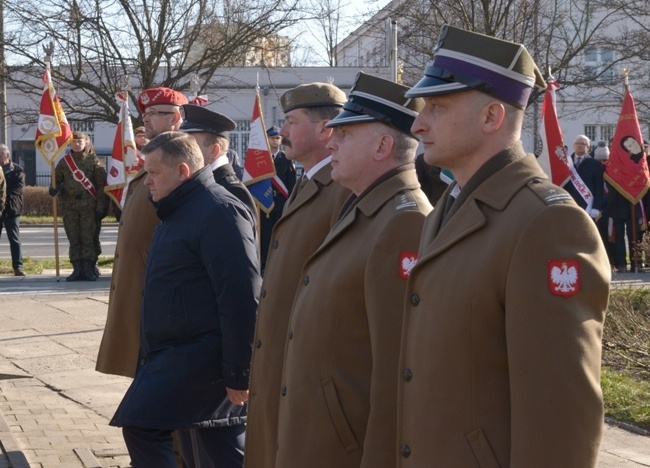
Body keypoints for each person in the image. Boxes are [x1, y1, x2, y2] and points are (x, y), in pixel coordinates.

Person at [397, 25, 610, 467]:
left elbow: (560, 421)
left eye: (436, 106)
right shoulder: (446, 209)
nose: (418, 123)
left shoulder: (546, 223)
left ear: (492, 117)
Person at [273, 72, 431, 467]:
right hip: (321, 437)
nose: (333, 141)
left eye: (346, 134)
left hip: (345, 448)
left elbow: (398, 371)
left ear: (382, 145)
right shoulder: (367, 207)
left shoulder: (403, 221)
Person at [110, 131, 261, 468]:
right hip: (176, 354)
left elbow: (241, 295)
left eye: (153, 173)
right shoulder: (177, 208)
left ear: (182, 171)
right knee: (215, 444)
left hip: (202, 358)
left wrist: (240, 372)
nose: (147, 181)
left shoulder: (218, 210)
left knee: (142, 425)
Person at [244, 82, 350, 468]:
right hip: (283, 362)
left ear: (325, 130)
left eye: (290, 121)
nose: (282, 131)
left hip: (309, 372)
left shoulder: (342, 189)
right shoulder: (309, 180)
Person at [96, 87, 188, 378]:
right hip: (140, 281)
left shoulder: (179, 156)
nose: (145, 120)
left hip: (158, 285)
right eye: (145, 113)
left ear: (175, 118)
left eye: (154, 114)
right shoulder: (155, 154)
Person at [49, 131, 108, 281]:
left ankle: (89, 268)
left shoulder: (94, 161)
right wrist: (53, 187)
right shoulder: (64, 162)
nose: (76, 144)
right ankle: (77, 269)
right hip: (70, 207)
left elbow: (101, 187)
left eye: (79, 142)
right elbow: (57, 180)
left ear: (86, 143)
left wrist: (101, 207)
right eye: (74, 142)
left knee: (88, 238)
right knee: (73, 238)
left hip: (89, 206)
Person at [180, 104, 257, 218]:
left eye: (191, 145)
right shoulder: (200, 182)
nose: (183, 150)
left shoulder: (233, 191)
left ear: (214, 151)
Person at [259, 125, 296, 272]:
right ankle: (264, 263)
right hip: (264, 202)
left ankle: (279, 262)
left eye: (278, 138)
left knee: (281, 232)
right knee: (265, 233)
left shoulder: (286, 159)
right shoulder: (261, 159)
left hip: (281, 201)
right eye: (272, 138)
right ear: (267, 140)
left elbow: (291, 182)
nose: (275, 141)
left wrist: (291, 202)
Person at [564, 135, 605, 220]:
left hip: (587, 205)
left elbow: (599, 188)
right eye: (577, 143)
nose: (579, 145)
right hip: (568, 203)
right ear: (573, 145)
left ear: (588, 147)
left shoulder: (595, 164)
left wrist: (596, 207)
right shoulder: (566, 163)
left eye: (582, 143)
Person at [0, 144, 25, 276]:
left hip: (11, 209)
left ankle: (18, 267)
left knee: (14, 239)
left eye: (0, 155)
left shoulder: (17, 170)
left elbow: (19, 189)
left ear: (7, 155)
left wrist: (3, 196)